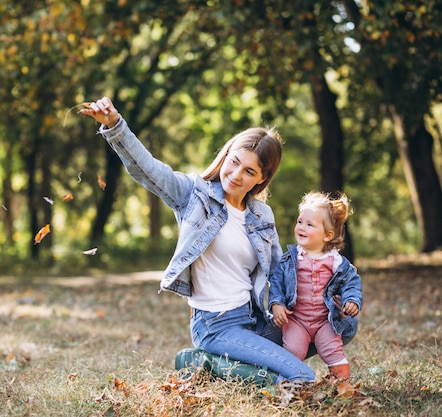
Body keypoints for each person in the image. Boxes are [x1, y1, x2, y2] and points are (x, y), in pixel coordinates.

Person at [80, 96, 316, 383]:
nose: (237, 175)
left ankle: (212, 363)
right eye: (235, 162)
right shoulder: (193, 195)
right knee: (302, 378)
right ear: (227, 155)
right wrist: (115, 125)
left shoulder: (261, 215)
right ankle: (219, 363)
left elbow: (280, 272)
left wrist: (326, 292)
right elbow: (147, 169)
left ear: (261, 178)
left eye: (249, 171)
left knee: (337, 322)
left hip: (254, 320)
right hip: (216, 326)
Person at [268, 191, 363, 385]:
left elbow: (351, 282)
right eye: (300, 221)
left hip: (325, 320)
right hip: (297, 320)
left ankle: (342, 384)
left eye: (310, 224)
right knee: (293, 350)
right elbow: (276, 282)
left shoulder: (337, 262)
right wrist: (276, 304)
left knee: (332, 349)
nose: (302, 227)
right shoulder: (290, 259)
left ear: (327, 235)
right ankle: (289, 384)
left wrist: (351, 300)